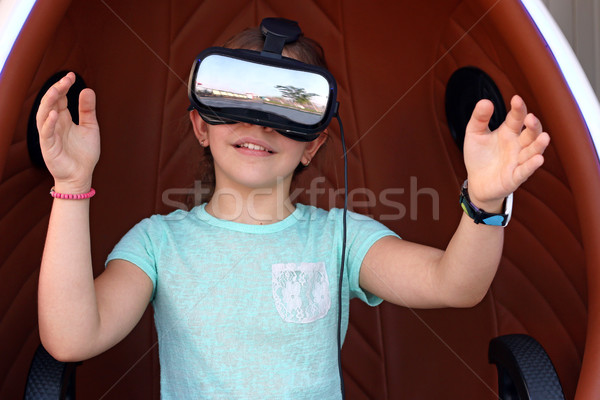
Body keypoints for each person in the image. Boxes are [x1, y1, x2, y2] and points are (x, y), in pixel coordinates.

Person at [36, 24, 550, 399]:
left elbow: (454, 285)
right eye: (238, 101)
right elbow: (71, 337)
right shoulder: (156, 244)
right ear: (201, 126)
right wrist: (72, 183)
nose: (259, 125)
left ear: (312, 145)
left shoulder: (339, 239)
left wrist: (484, 202)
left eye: (287, 108)